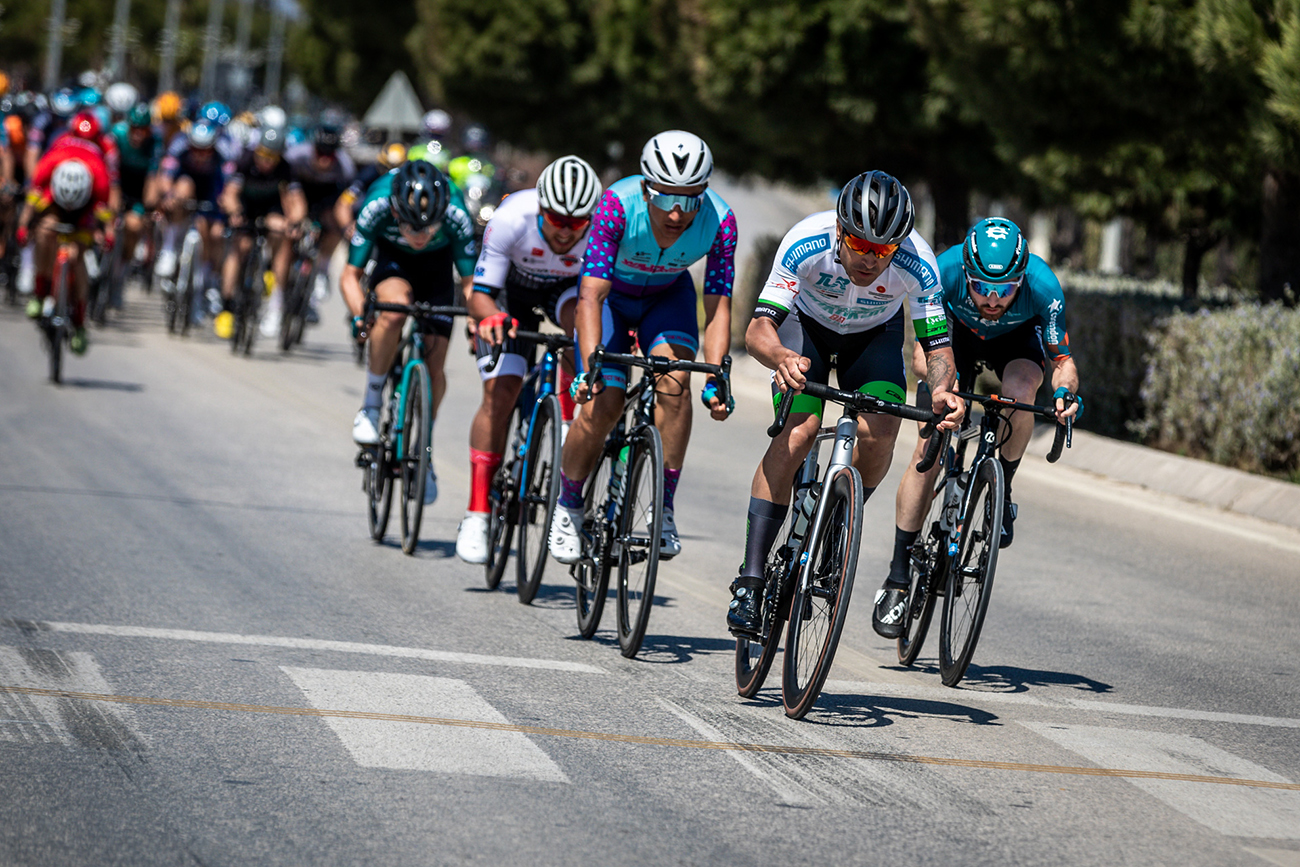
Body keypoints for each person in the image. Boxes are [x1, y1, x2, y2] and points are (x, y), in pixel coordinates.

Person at [725, 170, 965, 637]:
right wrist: (780, 357)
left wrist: (942, 392)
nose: (871, 260)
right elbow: (757, 330)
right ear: (839, 229)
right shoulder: (804, 242)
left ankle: (838, 516)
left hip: (873, 337)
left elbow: (937, 348)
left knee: (881, 435)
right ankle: (751, 581)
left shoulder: (919, 262)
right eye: (860, 245)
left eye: (883, 251)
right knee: (799, 433)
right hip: (805, 332)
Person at [871, 216, 1082, 637]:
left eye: (1004, 291)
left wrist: (1065, 395)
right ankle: (897, 576)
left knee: (1022, 391)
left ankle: (1001, 486)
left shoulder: (1043, 286)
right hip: (952, 338)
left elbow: (1062, 363)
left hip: (1015, 340)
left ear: (1021, 281)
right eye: (981, 287)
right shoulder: (944, 270)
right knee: (925, 455)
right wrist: (942, 392)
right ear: (965, 274)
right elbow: (920, 355)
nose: (991, 299)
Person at [547, 130, 737, 565]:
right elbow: (591, 295)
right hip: (611, 298)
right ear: (645, 187)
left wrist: (717, 373)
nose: (676, 212)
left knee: (676, 386)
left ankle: (662, 509)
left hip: (667, 299)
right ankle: (569, 505)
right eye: (665, 197)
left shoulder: (722, 221)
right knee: (604, 400)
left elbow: (719, 305)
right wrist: (588, 367)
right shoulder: (616, 205)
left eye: (690, 200)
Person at [455, 155, 602, 563]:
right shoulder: (511, 219)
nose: (566, 230)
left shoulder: (600, 231)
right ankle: (477, 513)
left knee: (584, 335)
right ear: (541, 208)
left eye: (578, 223)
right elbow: (479, 294)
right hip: (509, 294)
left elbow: (596, 301)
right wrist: (491, 318)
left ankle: (567, 418)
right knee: (501, 393)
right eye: (557, 219)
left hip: (565, 294)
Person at [341, 160, 477, 506]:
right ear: (395, 211)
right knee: (393, 309)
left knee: (434, 367)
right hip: (392, 262)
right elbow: (349, 275)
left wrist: (477, 321)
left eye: (428, 228)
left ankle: (424, 453)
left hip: (437, 270)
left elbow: (472, 284)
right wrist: (360, 317)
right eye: (410, 227)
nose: (419, 236)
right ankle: (371, 404)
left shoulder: (456, 214)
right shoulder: (376, 206)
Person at [18, 136, 114, 354]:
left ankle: (80, 323)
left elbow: (106, 211)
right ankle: (40, 292)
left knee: (76, 257)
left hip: (85, 212)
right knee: (44, 232)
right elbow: (33, 197)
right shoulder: (50, 165)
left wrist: (107, 233)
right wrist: (24, 225)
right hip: (54, 203)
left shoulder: (99, 177)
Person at [215, 125, 307, 339]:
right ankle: (226, 307)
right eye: (262, 155)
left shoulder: (286, 168)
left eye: (271, 157)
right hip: (246, 208)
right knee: (240, 248)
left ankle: (271, 275)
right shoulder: (245, 161)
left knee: (281, 234)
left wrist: (295, 222)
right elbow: (230, 194)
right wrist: (235, 211)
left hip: (271, 210)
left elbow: (297, 201)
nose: (266, 162)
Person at [284, 119, 356, 330]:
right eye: (320, 153)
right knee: (294, 221)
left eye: (329, 155)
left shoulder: (345, 165)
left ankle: (323, 268)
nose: (324, 160)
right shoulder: (297, 155)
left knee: (334, 222)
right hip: (301, 190)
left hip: (327, 195)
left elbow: (346, 199)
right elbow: (282, 183)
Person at [110, 102, 162, 290]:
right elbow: (109, 168)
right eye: (135, 128)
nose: (139, 134)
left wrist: (149, 206)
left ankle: (123, 265)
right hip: (117, 182)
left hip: (138, 190)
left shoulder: (155, 142)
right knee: (107, 219)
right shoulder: (117, 134)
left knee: (133, 226)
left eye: (144, 129)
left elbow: (153, 176)